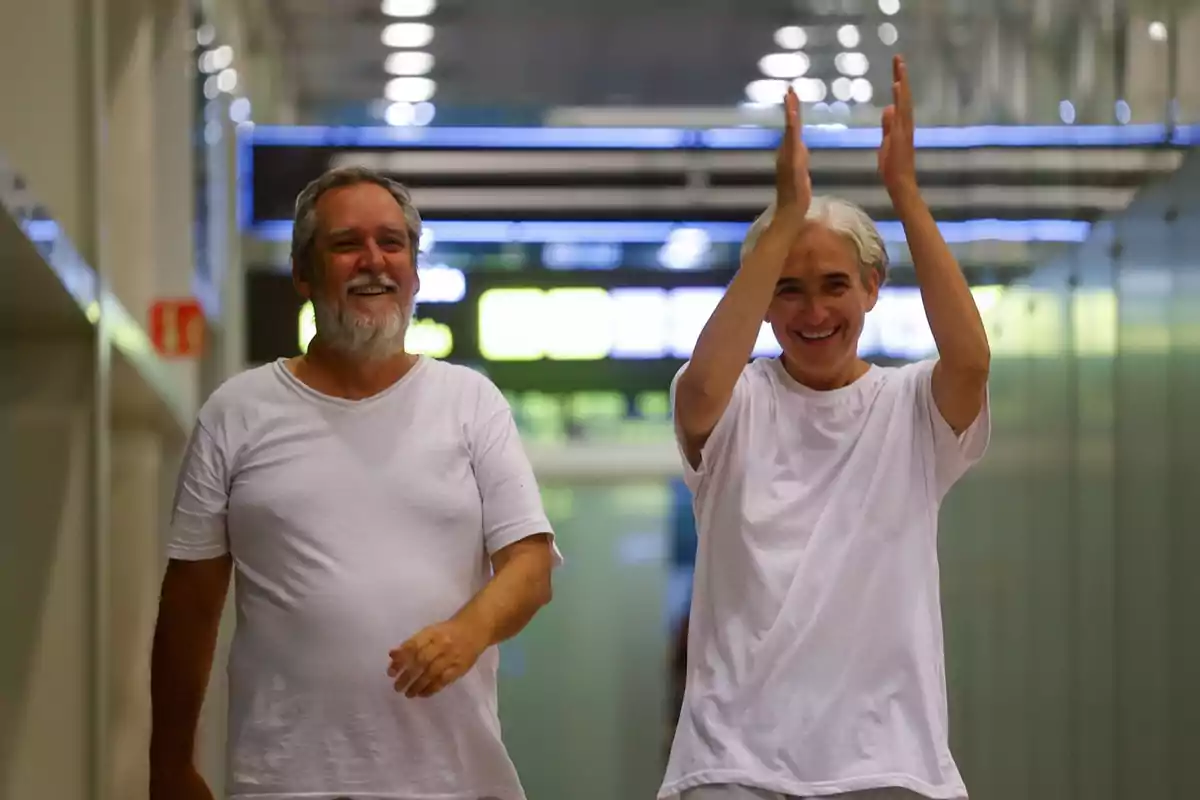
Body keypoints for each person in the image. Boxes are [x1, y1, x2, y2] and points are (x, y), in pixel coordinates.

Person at [149, 166, 561, 800]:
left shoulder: (469, 402)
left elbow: (531, 567)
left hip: (452, 781)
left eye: (392, 243)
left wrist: (469, 630)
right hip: (285, 780)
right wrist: (170, 763)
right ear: (304, 274)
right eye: (347, 244)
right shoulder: (237, 412)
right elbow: (190, 605)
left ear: (415, 272)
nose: (374, 261)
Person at [660, 56, 991, 800]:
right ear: (765, 305)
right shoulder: (734, 400)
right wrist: (784, 218)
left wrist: (906, 194)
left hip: (890, 763)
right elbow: (703, 386)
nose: (814, 313)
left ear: (873, 289)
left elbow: (969, 363)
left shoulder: (910, 408)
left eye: (835, 286)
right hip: (733, 763)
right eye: (789, 291)